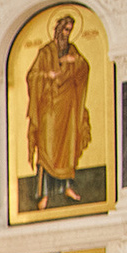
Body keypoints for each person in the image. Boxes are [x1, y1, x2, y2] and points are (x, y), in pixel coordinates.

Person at [25, 12, 93, 210]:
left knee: (67, 148)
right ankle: (44, 193)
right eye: (65, 29)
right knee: (47, 147)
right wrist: (48, 74)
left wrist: (74, 62)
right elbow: (32, 76)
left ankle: (67, 187)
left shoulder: (72, 49)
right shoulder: (46, 52)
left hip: (68, 106)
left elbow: (84, 68)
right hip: (50, 107)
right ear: (58, 29)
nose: (67, 33)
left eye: (70, 30)